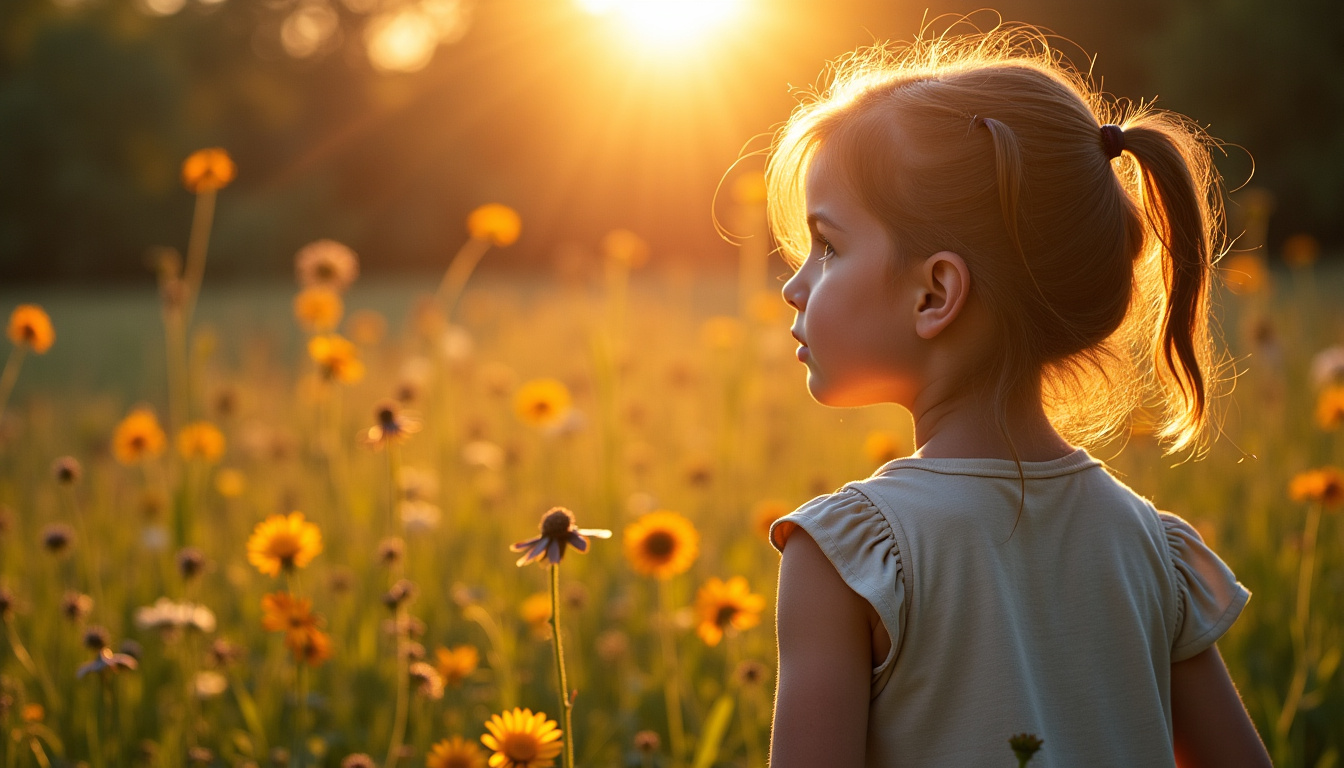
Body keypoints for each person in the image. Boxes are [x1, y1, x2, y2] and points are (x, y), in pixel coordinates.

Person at [763, 24, 1273, 768]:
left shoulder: (850, 558)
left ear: (935, 292)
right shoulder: (1151, 550)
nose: (794, 284)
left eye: (829, 246)